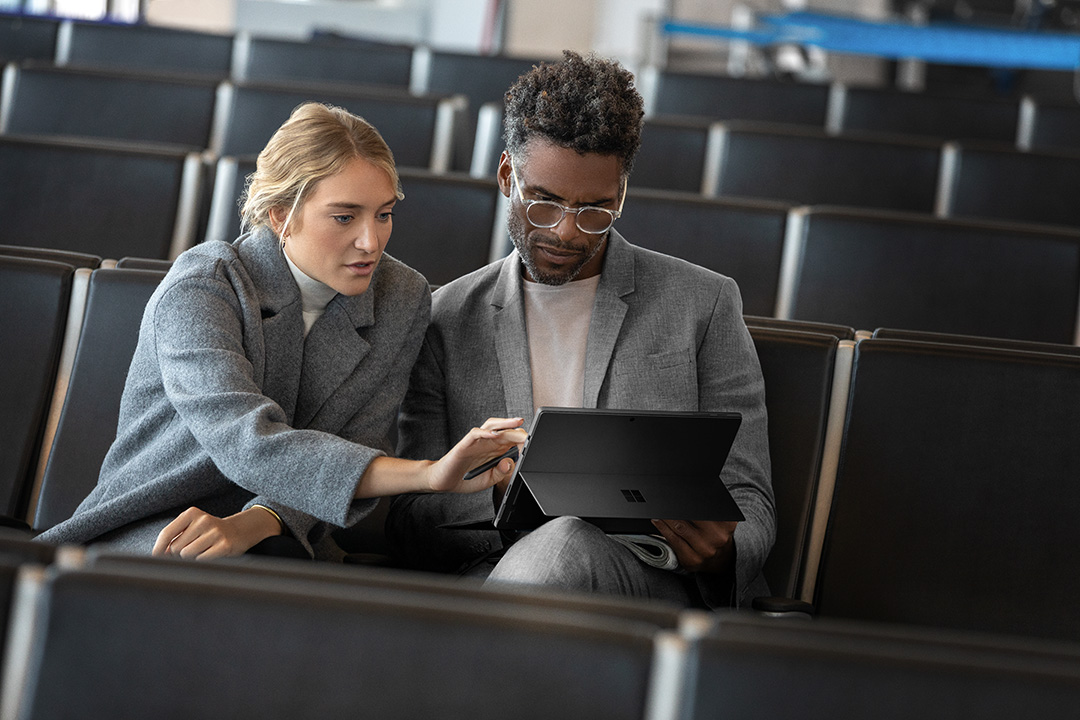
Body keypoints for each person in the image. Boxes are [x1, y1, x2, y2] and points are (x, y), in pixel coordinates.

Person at [38, 102, 525, 560]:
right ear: (280, 216)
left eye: (384, 214)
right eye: (344, 216)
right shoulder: (204, 285)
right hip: (158, 520)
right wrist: (429, 474)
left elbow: (361, 441)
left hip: (294, 535)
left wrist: (257, 522)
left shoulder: (401, 296)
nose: (370, 241)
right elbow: (245, 438)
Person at [385, 52, 775, 610]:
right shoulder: (445, 319)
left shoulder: (703, 303)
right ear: (506, 178)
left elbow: (751, 497)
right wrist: (492, 492)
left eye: (594, 210)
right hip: (494, 575)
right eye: (544, 204)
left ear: (619, 197)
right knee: (556, 546)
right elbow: (409, 524)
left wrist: (722, 552)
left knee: (566, 544)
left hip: (646, 582)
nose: (566, 232)